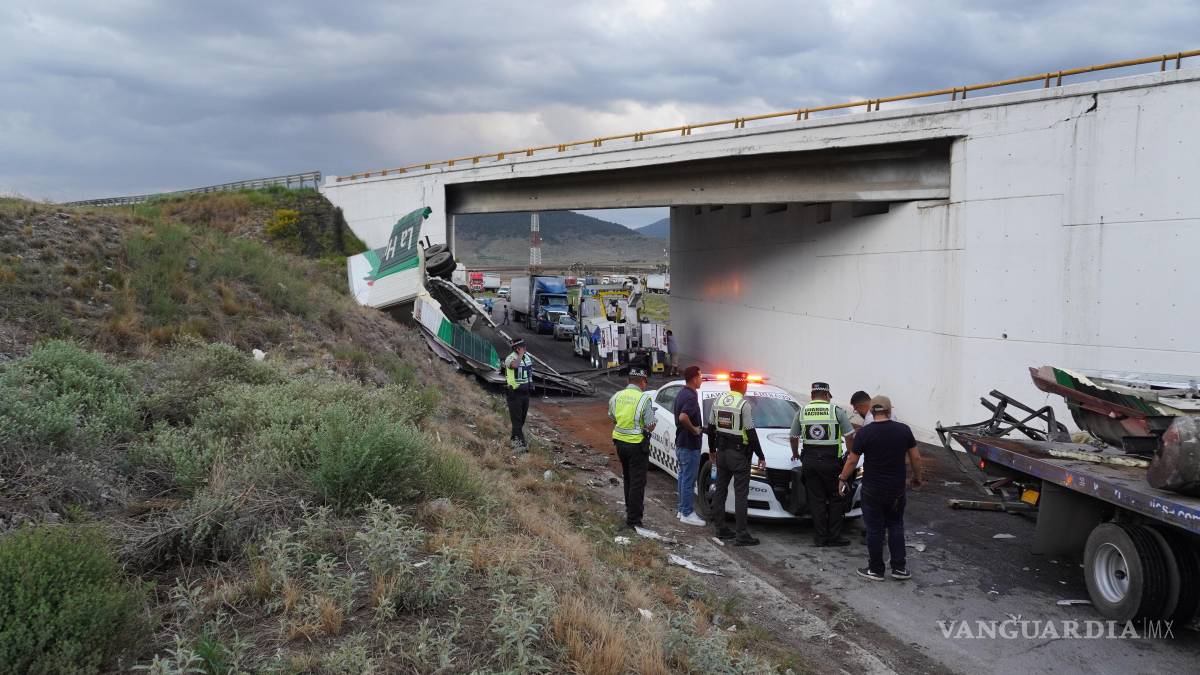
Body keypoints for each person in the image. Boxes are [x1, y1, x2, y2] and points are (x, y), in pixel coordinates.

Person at [837, 395, 923, 581]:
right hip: (896, 489)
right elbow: (916, 458)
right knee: (895, 525)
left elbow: (852, 460)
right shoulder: (903, 430)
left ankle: (876, 569)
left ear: (871, 411)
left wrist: (843, 478)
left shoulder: (865, 433)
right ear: (889, 410)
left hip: (872, 488)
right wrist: (917, 478)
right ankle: (899, 568)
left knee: (875, 528)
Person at [790, 382, 856, 547]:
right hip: (831, 461)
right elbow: (849, 436)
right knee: (836, 498)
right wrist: (850, 453)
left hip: (810, 461)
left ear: (812, 396)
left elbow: (793, 436)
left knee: (816, 499)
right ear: (827, 395)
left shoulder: (802, 411)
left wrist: (795, 454)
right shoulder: (836, 411)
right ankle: (834, 536)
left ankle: (820, 537)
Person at [706, 371, 766, 546]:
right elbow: (751, 433)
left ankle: (720, 528)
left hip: (722, 452)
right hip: (739, 455)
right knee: (741, 494)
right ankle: (741, 534)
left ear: (731, 385)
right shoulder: (743, 404)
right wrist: (760, 456)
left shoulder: (718, 401)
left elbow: (710, 428)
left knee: (720, 490)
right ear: (744, 386)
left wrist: (712, 450)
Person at [608, 367, 656, 529]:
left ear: (629, 381)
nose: (645, 386)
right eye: (645, 382)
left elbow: (612, 416)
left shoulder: (617, 396)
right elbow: (650, 423)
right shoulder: (643, 399)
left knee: (628, 478)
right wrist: (646, 429)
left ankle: (630, 510)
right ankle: (634, 520)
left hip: (620, 443)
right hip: (636, 445)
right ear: (642, 382)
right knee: (638, 482)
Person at [673, 365, 706, 526]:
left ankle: (681, 509)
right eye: (700, 376)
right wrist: (694, 429)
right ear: (694, 378)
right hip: (689, 445)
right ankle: (687, 512)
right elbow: (683, 417)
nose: (701, 379)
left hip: (681, 443)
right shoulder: (691, 396)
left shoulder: (681, 393)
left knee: (682, 477)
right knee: (688, 480)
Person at [503, 339, 533, 448]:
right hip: (514, 393)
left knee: (521, 420)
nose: (525, 349)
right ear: (517, 348)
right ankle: (521, 446)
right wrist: (520, 355)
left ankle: (514, 440)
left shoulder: (527, 357)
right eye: (522, 347)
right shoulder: (510, 358)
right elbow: (514, 366)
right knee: (516, 421)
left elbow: (529, 371)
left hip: (525, 394)